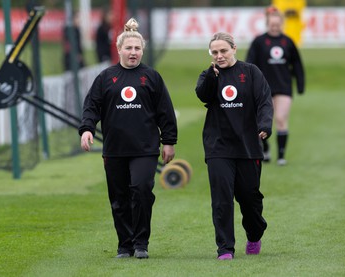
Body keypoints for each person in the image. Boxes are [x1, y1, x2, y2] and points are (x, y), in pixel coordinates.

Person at [79, 18, 177, 259]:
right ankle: (125, 245)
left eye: (137, 48)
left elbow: (165, 111)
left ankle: (141, 243)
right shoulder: (106, 78)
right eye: (129, 48)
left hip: (145, 148)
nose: (133, 53)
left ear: (142, 50)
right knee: (119, 198)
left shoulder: (152, 77)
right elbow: (92, 106)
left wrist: (169, 141)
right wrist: (87, 129)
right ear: (119, 49)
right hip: (114, 149)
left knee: (142, 190)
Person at [195, 32, 273, 260]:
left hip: (248, 146)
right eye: (214, 52)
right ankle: (225, 248)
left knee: (250, 199)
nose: (219, 56)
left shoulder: (251, 72)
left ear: (234, 49)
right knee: (221, 198)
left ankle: (255, 233)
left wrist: (265, 124)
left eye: (223, 51)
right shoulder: (209, 74)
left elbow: (264, 101)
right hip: (218, 146)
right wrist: (212, 76)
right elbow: (203, 95)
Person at [246, 5, 305, 166]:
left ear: (282, 24)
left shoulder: (288, 41)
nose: (275, 27)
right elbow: (249, 64)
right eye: (272, 24)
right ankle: (265, 149)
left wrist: (300, 84)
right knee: (265, 121)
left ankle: (281, 155)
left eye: (277, 24)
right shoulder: (259, 42)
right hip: (264, 88)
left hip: (284, 86)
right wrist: (247, 83)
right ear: (267, 24)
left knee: (280, 118)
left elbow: (297, 64)